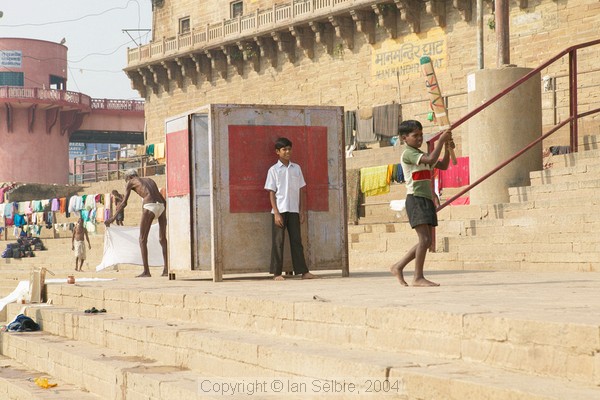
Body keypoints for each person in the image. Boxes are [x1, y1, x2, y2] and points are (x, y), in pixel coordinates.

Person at [390, 120, 453, 287]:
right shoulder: (409, 154)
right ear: (404, 138)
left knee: (425, 240)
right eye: (415, 135)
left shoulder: (421, 155)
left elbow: (443, 165)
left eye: (421, 134)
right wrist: (440, 140)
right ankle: (417, 277)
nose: (419, 138)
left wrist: (448, 147)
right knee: (424, 239)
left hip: (425, 199)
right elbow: (432, 157)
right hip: (415, 199)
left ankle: (399, 266)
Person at [264, 137, 316, 281]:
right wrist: (276, 213)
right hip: (279, 211)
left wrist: (302, 211)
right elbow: (271, 192)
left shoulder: (296, 168)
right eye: (284, 149)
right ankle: (277, 273)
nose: (287, 152)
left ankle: (304, 272)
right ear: (277, 152)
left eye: (289, 149)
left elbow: (302, 190)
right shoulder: (273, 170)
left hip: (294, 211)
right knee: (278, 242)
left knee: (296, 241)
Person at [105, 169, 168, 277]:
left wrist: (112, 218)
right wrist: (163, 213)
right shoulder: (149, 179)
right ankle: (166, 269)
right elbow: (164, 200)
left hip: (149, 205)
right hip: (161, 205)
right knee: (162, 239)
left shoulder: (131, 182)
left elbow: (124, 203)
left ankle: (146, 271)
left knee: (142, 239)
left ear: (129, 177)